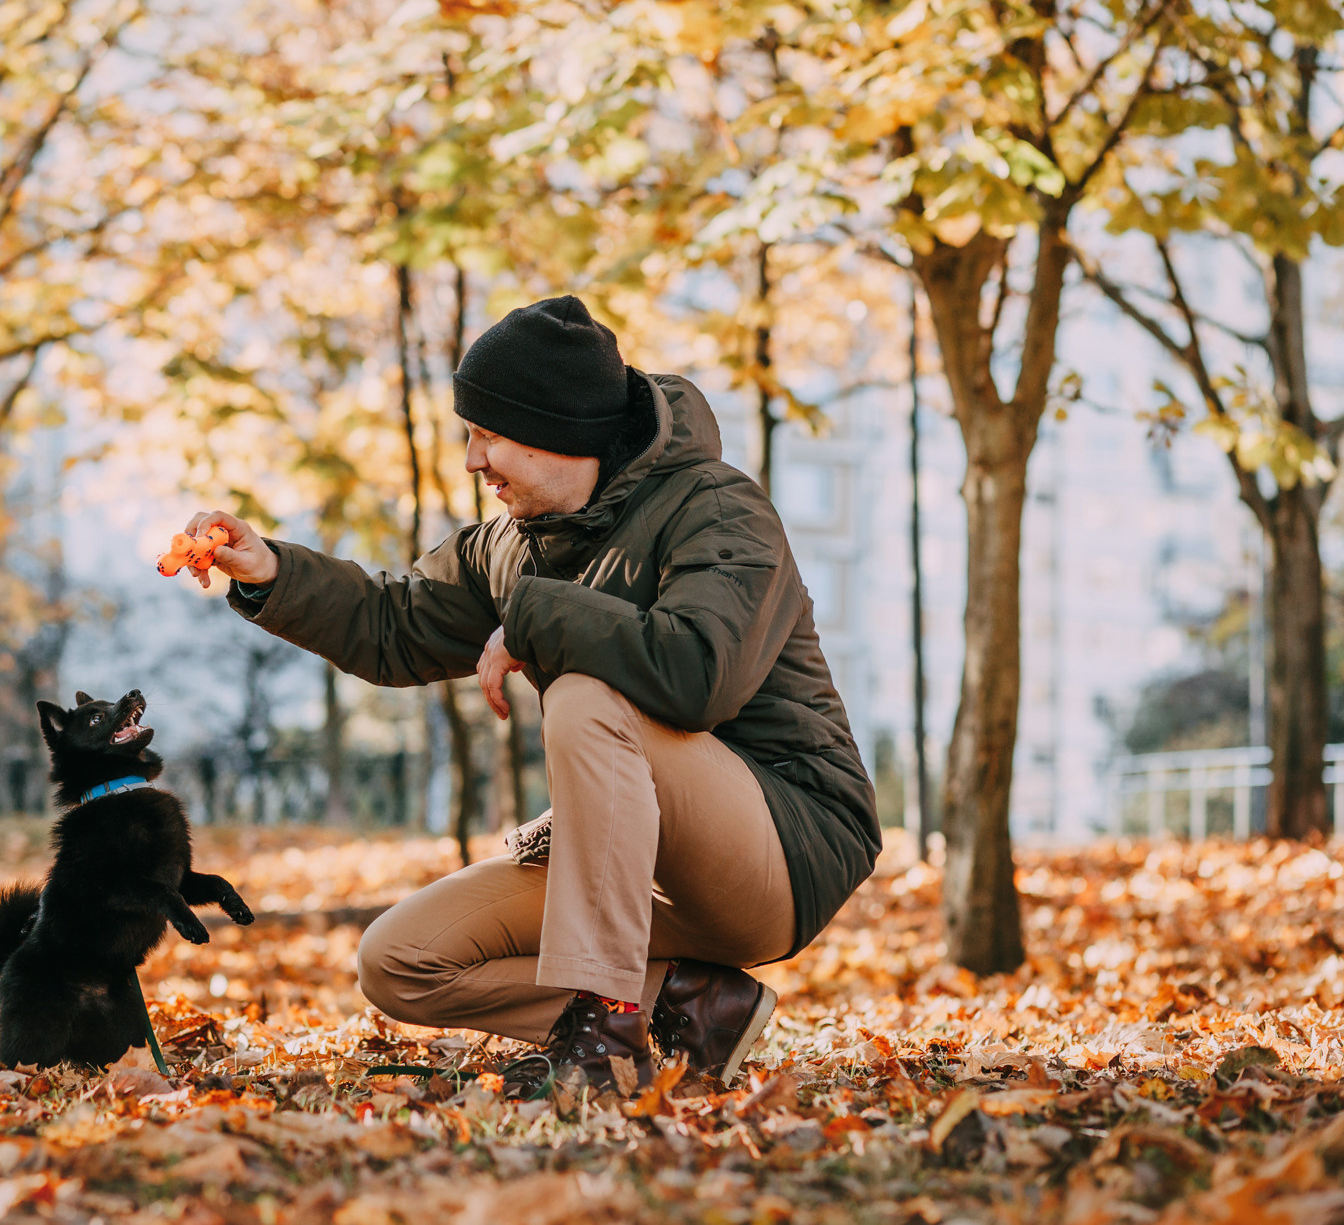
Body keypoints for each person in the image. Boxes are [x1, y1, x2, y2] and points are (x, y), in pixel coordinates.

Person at [183, 295, 879, 1094]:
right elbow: (392, 622)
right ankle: (691, 1003)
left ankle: (604, 1040)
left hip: (783, 844)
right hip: (630, 863)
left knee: (585, 693)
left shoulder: (718, 509)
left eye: (488, 436)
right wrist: (269, 568)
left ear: (560, 433)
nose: (473, 461)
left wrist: (537, 618)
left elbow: (698, 674)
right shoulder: (514, 545)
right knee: (401, 959)